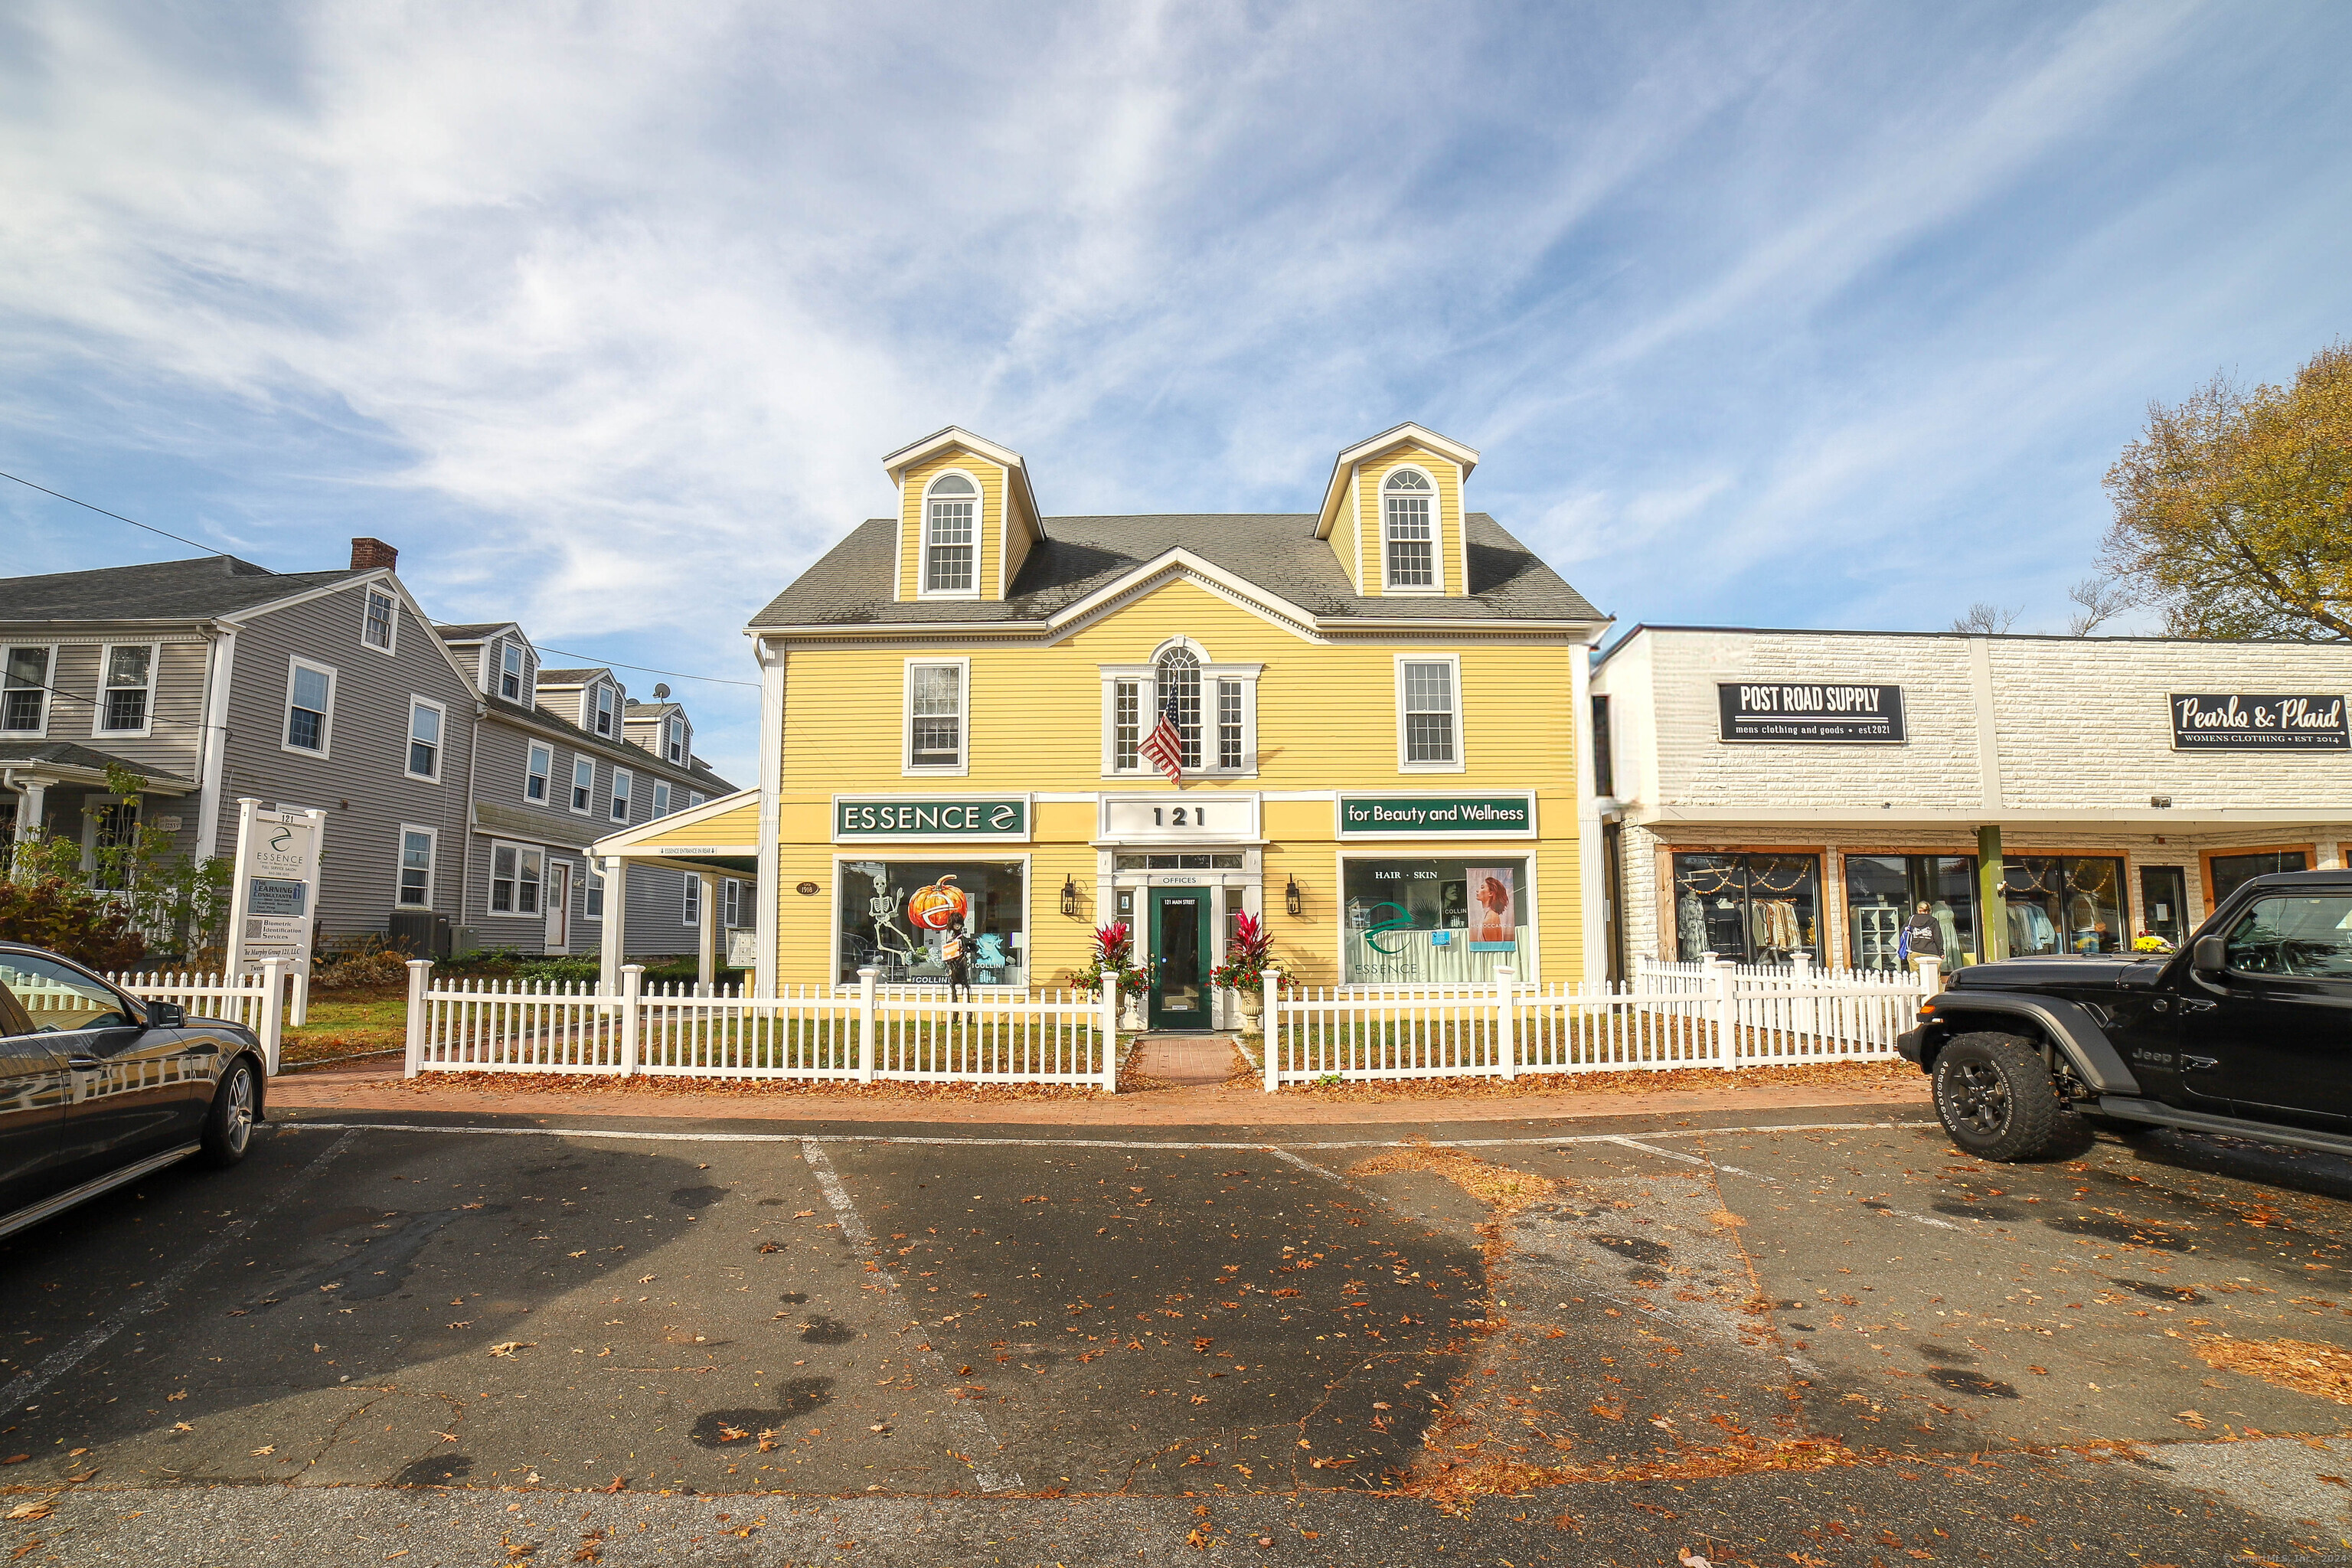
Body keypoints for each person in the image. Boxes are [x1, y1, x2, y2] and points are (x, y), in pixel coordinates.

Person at [1901, 900, 1945, 982]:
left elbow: (1902, 933)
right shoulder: (1933, 920)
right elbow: (1938, 938)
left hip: (1914, 951)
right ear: (1929, 911)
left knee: (1916, 977)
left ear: (1918, 910)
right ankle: (1937, 994)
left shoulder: (1911, 919)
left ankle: (1919, 994)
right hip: (1932, 952)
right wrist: (1941, 951)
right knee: (1935, 978)